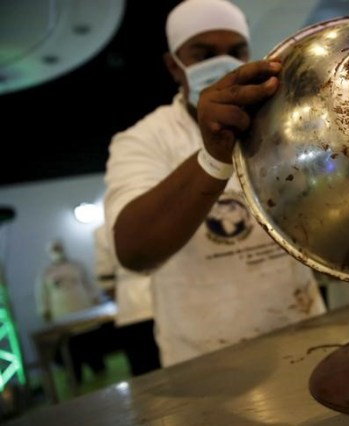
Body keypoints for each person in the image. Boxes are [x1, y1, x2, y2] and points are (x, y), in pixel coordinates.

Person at [103, 0, 326, 368]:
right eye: (203, 53)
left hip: (305, 333)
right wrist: (213, 157)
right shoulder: (144, 139)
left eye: (236, 51)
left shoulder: (281, 120)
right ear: (174, 65)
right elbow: (134, 252)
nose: (223, 63)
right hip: (207, 359)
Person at [93, 224, 161, 376]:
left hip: (131, 310)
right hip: (161, 306)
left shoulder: (102, 232)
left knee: (146, 374)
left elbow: (106, 279)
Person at [35, 239, 107, 383]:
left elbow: (89, 284)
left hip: (84, 310)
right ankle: (76, 375)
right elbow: (42, 294)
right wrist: (45, 312)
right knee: (70, 347)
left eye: (59, 247)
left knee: (89, 341)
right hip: (62, 315)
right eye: (54, 249)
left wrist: (96, 300)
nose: (57, 251)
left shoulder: (77, 266)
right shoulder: (46, 272)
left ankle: (98, 368)